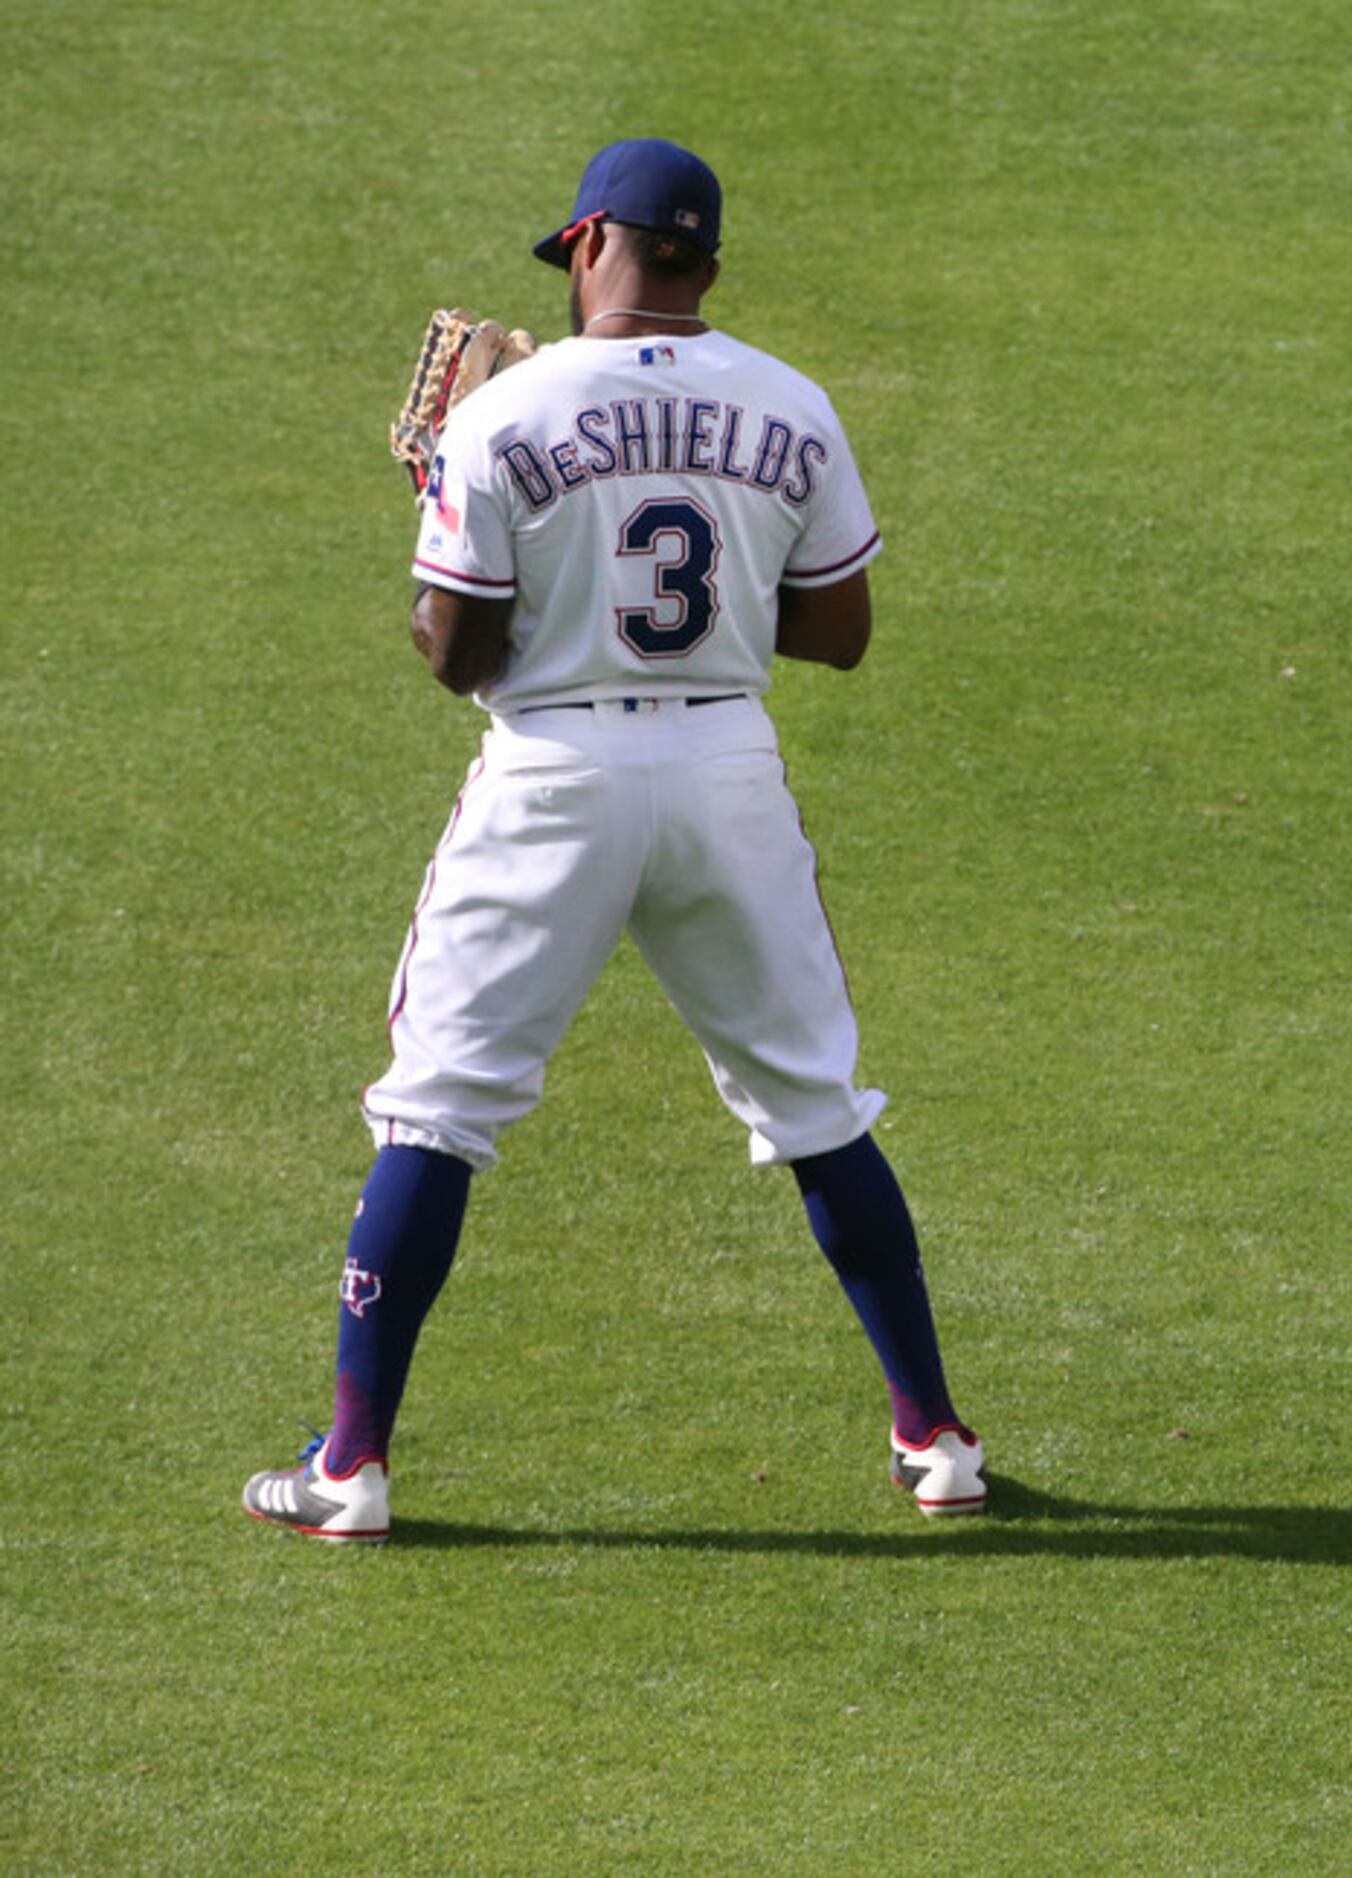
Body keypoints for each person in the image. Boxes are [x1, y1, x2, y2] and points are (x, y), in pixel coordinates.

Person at [243, 139, 985, 1542]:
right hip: (724, 767)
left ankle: (351, 1467)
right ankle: (936, 1436)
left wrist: (448, 502)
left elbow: (456, 652)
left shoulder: (507, 414)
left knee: (440, 1103)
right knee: (818, 1105)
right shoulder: (795, 405)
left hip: (554, 776)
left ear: (591, 243)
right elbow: (839, 633)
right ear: (705, 258)